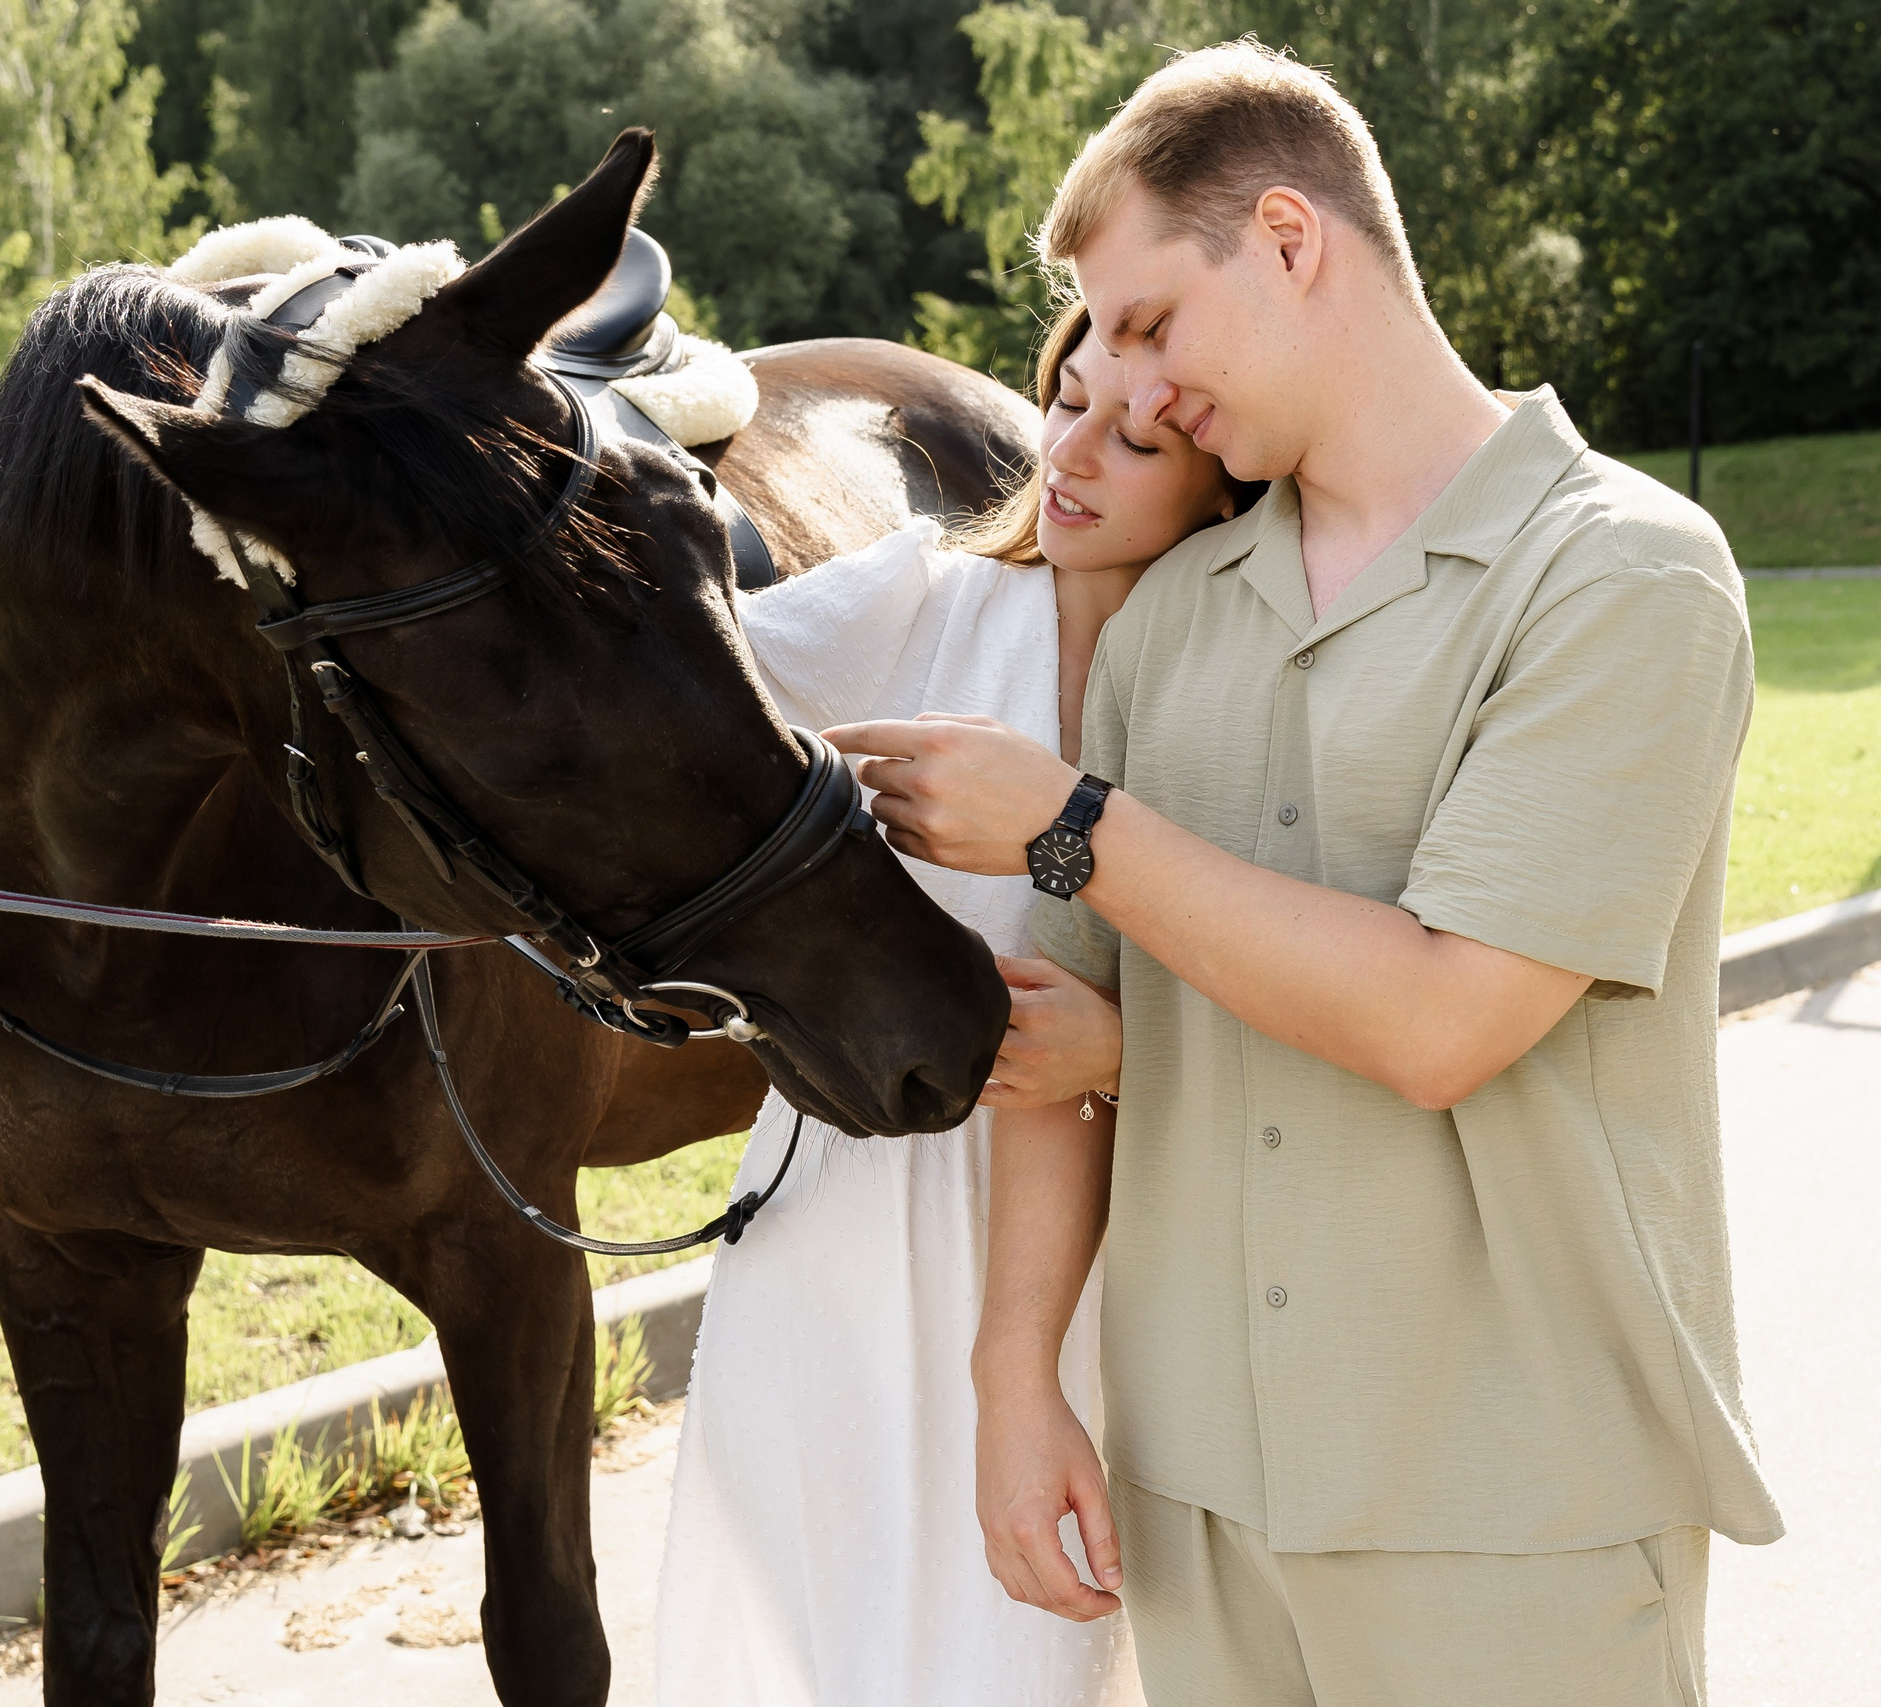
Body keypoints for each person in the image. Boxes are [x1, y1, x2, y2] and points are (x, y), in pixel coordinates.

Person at [828, 41, 1780, 1707]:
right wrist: (1014, 1384)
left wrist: (1073, 827)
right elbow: (1057, 1047)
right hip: (1199, 1499)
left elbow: (1443, 1019)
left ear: (1288, 235)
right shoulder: (1173, 616)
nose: (1125, 390)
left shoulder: (1624, 577)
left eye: (1147, 324)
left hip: (1516, 1496)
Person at [651, 299, 1253, 1707]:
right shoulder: (916, 604)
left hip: (1113, 1259)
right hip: (846, 1235)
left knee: (1037, 1659)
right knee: (819, 1647)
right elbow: (654, 692)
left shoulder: (1242, 690)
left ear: (1224, 474)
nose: (1076, 454)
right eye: (1068, 403)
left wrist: (1131, 1049)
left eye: (1139, 436)